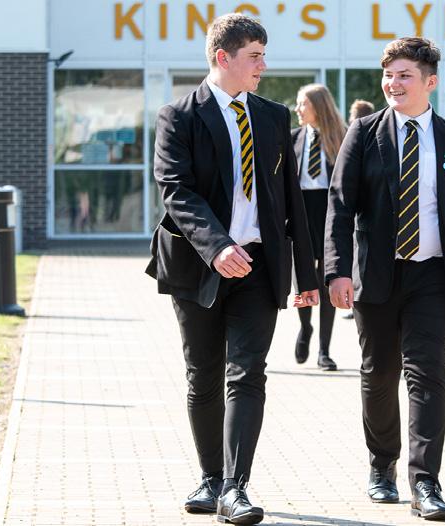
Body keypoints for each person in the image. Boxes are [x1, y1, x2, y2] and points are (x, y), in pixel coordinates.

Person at [145, 13, 319, 525]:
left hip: (259, 265)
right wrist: (217, 246)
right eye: (255, 56)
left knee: (247, 373)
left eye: (264, 55)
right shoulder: (178, 116)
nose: (263, 66)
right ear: (223, 57)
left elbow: (289, 199)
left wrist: (306, 276)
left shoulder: (272, 116)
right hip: (198, 264)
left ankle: (235, 488)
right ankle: (210, 477)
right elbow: (176, 190)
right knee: (203, 374)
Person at [325, 37, 445, 522]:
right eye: (388, 75)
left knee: (427, 375)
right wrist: (336, 270)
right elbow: (340, 206)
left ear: (430, 81)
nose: (393, 84)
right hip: (377, 276)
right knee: (379, 374)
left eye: (404, 75)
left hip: (433, 277)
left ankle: (425, 482)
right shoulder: (364, 133)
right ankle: (382, 465)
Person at [292, 84, 347, 371]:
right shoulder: (293, 139)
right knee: (303, 278)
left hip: (329, 213)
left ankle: (324, 351)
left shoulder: (342, 137)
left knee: (328, 279)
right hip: (301, 213)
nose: (298, 109)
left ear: (318, 106)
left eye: (303, 104)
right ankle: (305, 327)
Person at [341, 99, 377, 322]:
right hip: (360, 209)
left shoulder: (359, 134)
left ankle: (354, 298)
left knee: (357, 251)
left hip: (361, 210)